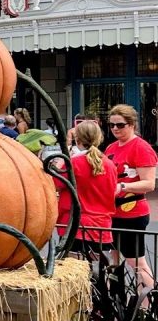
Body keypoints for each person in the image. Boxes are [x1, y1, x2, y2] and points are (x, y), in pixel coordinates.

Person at [106, 103, 158, 302]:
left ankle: (147, 306)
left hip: (133, 213)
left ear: (132, 125)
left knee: (136, 262)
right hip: (114, 213)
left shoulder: (141, 147)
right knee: (115, 259)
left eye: (120, 125)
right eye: (111, 125)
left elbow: (149, 183)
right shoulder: (111, 147)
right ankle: (117, 302)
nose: (115, 129)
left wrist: (123, 187)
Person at [56, 120, 117, 259]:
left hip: (74, 225)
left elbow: (55, 184)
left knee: (74, 271)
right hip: (101, 226)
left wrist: (61, 161)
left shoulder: (74, 163)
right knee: (97, 272)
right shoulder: (110, 164)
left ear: (77, 139)